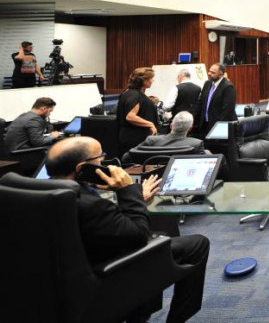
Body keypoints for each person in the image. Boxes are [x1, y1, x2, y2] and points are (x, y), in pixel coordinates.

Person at [46, 136, 209, 323]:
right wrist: (129, 190)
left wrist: (137, 198)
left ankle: (138, 314)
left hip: (61, 279)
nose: (104, 162)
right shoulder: (92, 206)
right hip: (106, 276)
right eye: (100, 157)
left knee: (162, 237)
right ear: (82, 169)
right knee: (197, 244)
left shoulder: (41, 192)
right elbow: (138, 235)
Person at [117, 67, 160, 157]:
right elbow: (130, 116)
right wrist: (150, 124)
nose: (153, 81)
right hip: (135, 140)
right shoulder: (134, 95)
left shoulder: (130, 93)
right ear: (144, 80)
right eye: (151, 78)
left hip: (134, 139)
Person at [194, 63, 237, 140]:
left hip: (219, 127)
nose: (209, 74)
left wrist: (218, 128)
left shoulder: (228, 87)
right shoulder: (207, 83)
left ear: (221, 75)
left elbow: (227, 111)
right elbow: (200, 103)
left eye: (213, 72)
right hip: (205, 125)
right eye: (209, 71)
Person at [136, 111, 206, 154]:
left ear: (171, 125)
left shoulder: (151, 140)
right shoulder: (196, 144)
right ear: (190, 128)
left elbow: (127, 157)